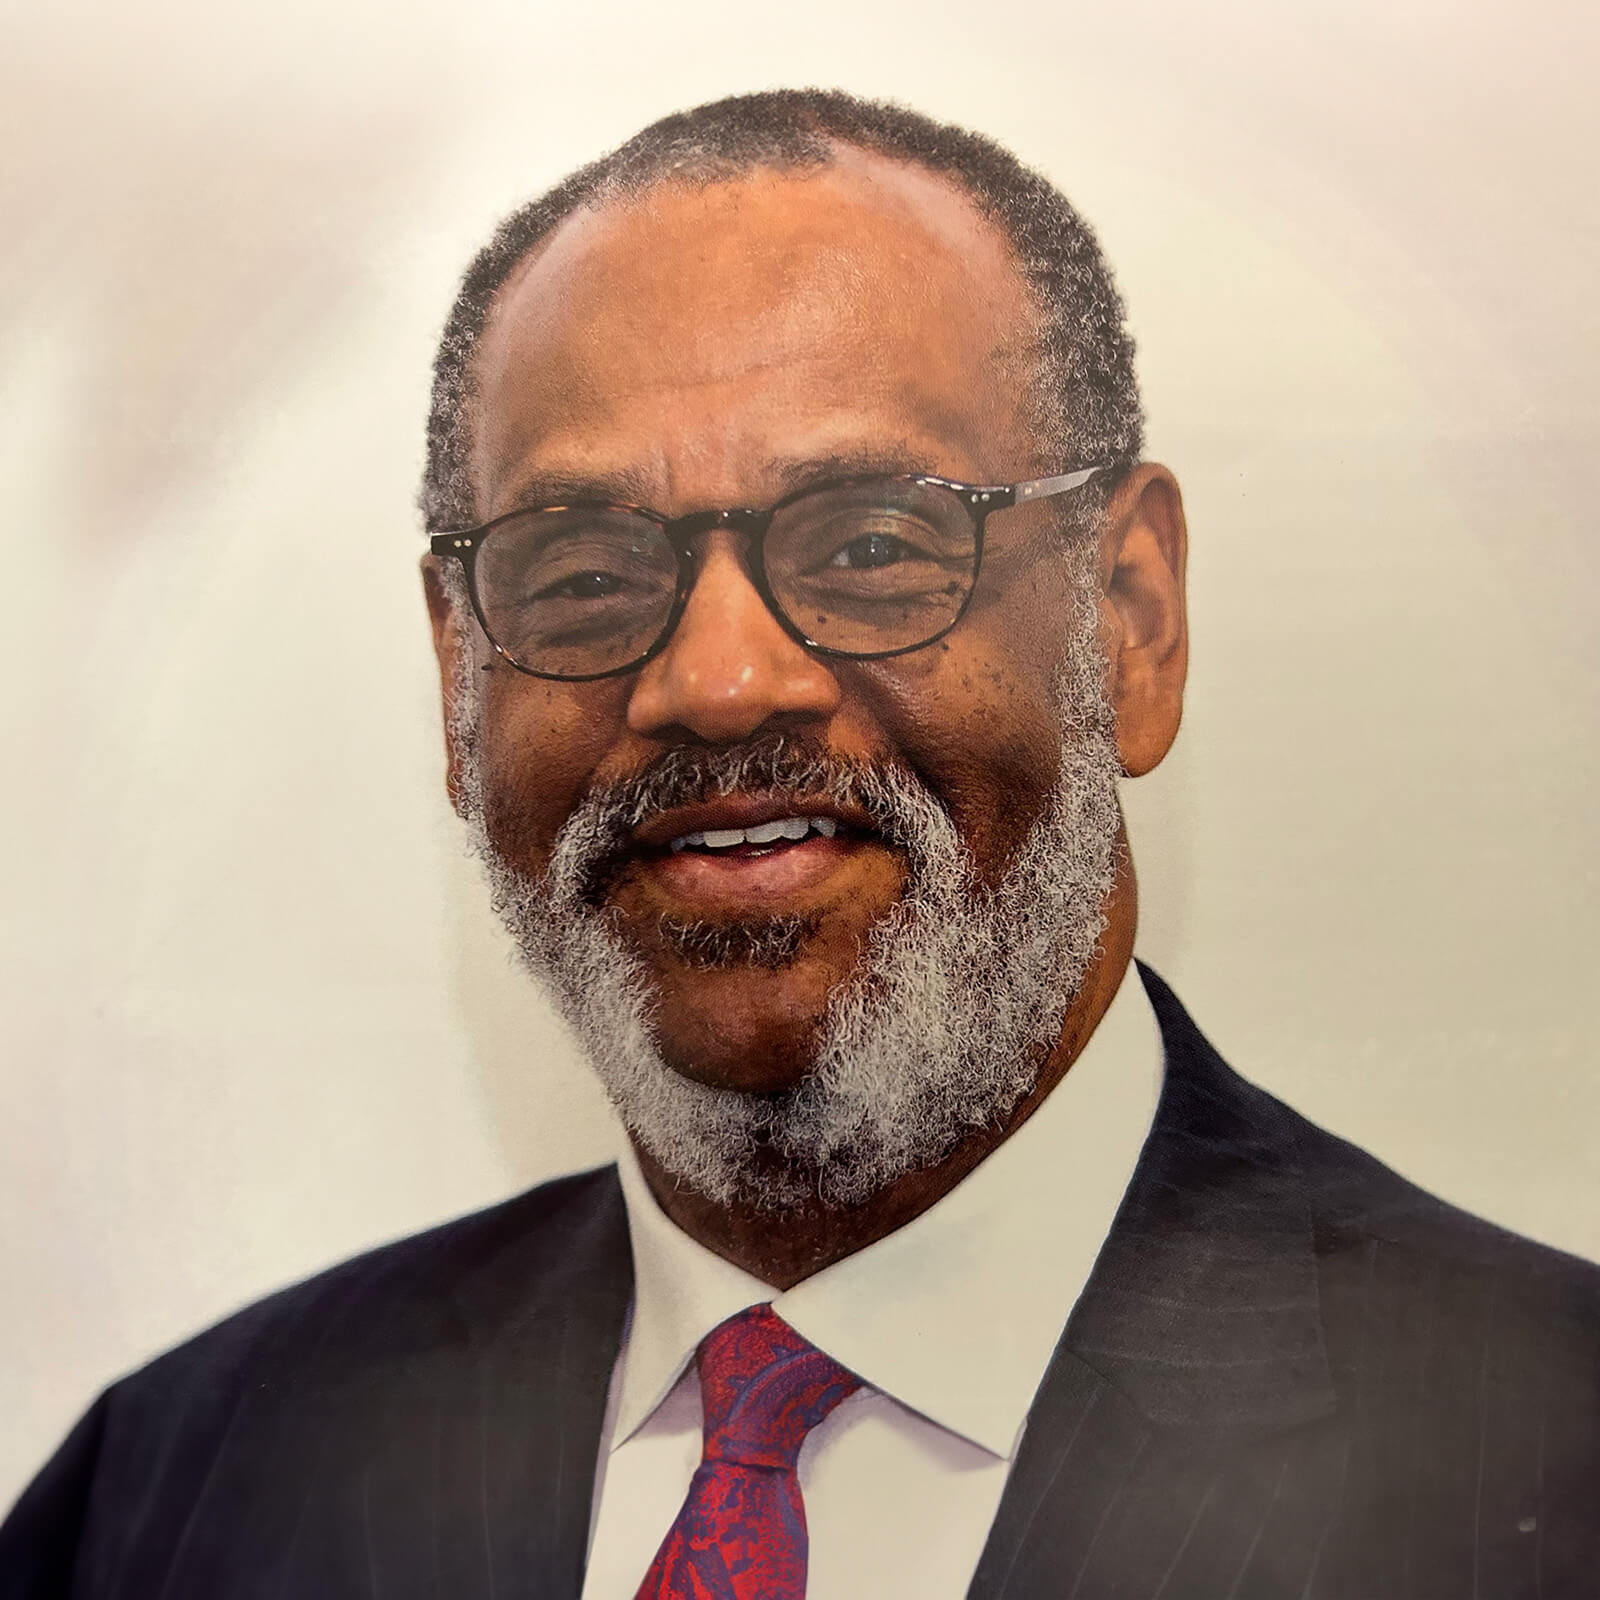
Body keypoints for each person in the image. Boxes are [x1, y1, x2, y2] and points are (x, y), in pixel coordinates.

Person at [2, 88, 1596, 1600]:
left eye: (873, 543)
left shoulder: (1546, 1470)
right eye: (580, 572)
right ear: (457, 680)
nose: (718, 682)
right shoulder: (176, 1495)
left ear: (1131, 621)